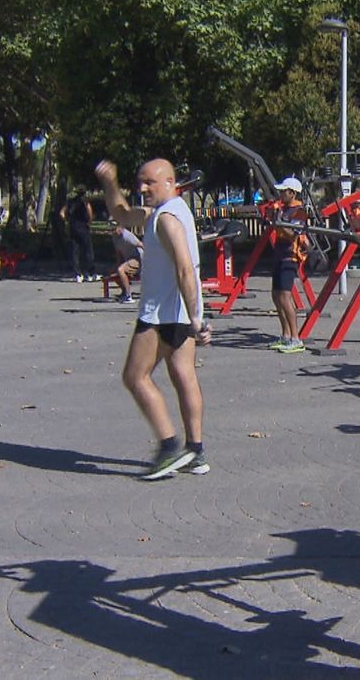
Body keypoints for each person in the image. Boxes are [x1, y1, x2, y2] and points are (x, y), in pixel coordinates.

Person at [95, 157, 211, 480]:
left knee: (135, 377)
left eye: (150, 182)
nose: (142, 188)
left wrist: (197, 318)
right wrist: (109, 183)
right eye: (140, 182)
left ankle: (169, 446)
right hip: (178, 313)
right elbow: (121, 213)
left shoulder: (167, 220)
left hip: (161, 316)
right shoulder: (161, 212)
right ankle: (196, 452)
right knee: (183, 376)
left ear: (171, 183)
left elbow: (185, 269)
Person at [269, 177, 309, 354]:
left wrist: (279, 222)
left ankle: (296, 338)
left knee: (285, 297)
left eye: (284, 191)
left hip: (290, 257)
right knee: (276, 295)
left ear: (292, 193)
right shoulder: (282, 210)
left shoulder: (299, 212)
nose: (280, 194)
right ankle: (285, 335)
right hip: (279, 255)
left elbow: (293, 234)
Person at [61, 189, 97, 282]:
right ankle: (90, 273)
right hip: (83, 226)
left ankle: (78, 274)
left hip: (73, 227)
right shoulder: (85, 202)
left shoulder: (70, 202)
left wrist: (67, 220)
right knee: (88, 250)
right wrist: (90, 221)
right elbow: (89, 211)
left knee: (75, 251)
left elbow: (61, 213)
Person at [110, 223, 143, 303]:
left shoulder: (127, 236)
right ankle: (124, 291)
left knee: (121, 270)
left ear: (121, 227)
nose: (115, 230)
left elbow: (141, 245)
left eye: (116, 227)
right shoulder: (114, 237)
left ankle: (128, 296)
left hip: (138, 259)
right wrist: (118, 264)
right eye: (112, 228)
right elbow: (118, 253)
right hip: (128, 260)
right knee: (113, 272)